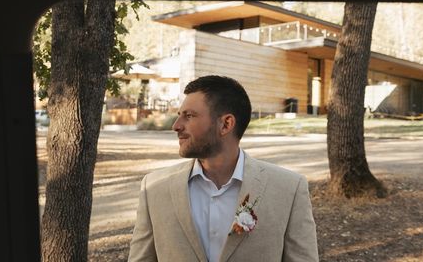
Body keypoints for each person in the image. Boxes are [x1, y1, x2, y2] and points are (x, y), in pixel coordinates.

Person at [127, 74, 319, 262]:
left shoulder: (289, 189)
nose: (176, 126)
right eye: (179, 116)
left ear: (226, 124)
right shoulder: (154, 188)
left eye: (189, 116)